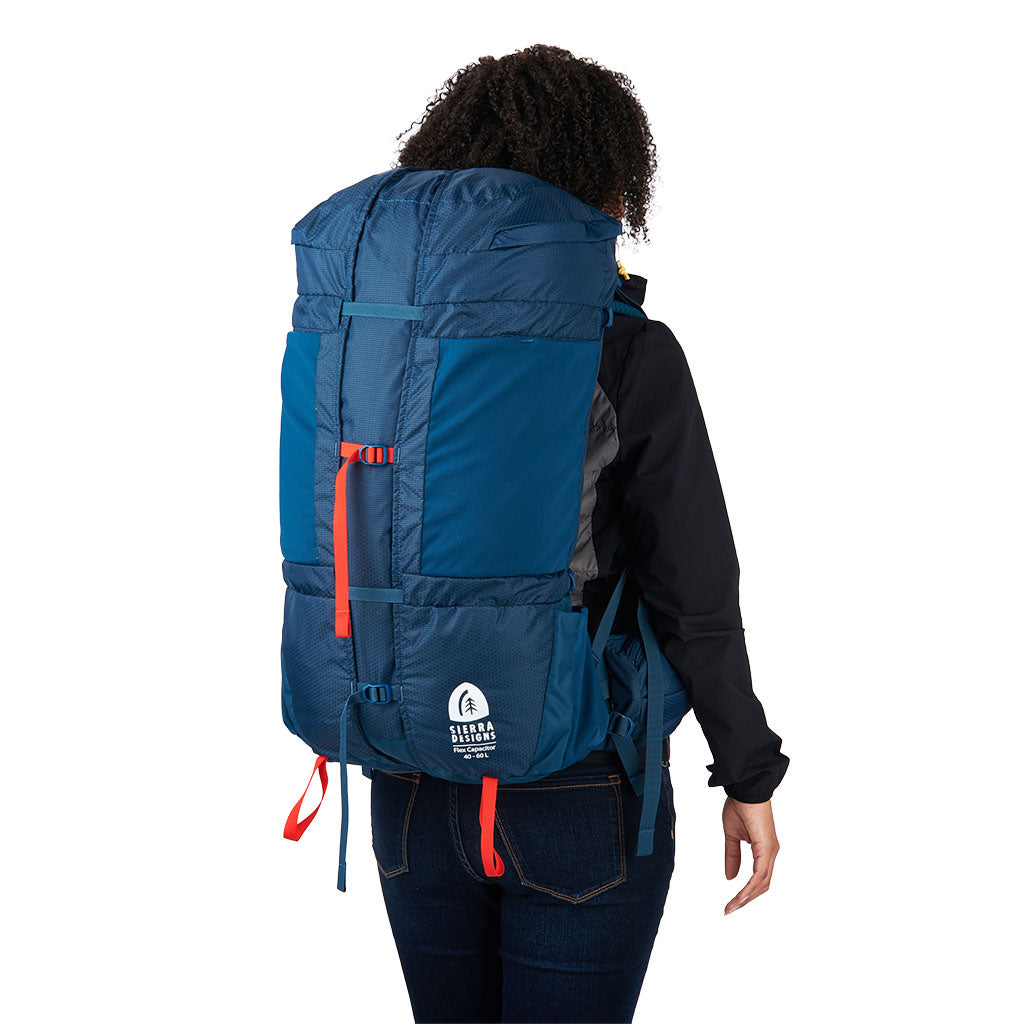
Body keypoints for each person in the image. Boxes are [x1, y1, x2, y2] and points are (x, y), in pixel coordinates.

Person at [369, 44, 789, 1024]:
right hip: (579, 787)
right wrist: (749, 772)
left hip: (411, 776)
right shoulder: (626, 348)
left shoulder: (380, 344)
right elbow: (694, 592)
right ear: (607, 187)